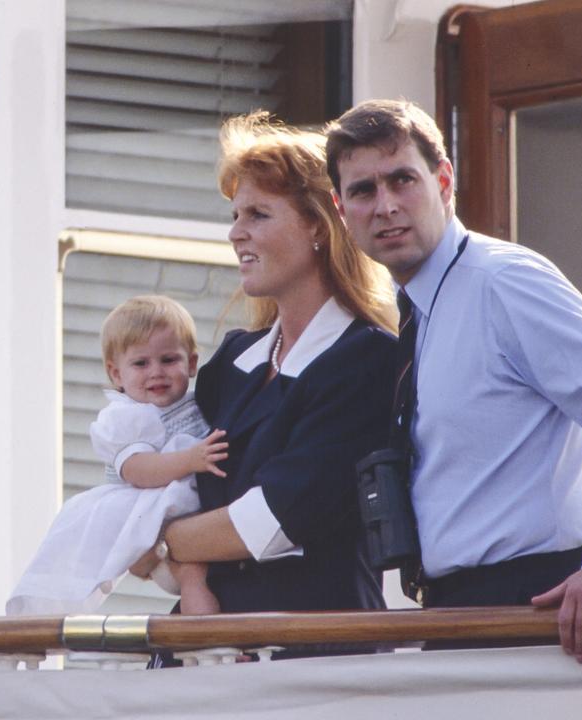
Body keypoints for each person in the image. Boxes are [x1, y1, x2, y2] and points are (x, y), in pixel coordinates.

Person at [324, 99, 582, 662]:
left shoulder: (501, 282)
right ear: (341, 209)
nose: (386, 205)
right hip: (461, 611)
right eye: (364, 190)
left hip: (540, 606)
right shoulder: (421, 306)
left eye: (402, 180)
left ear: (443, 183)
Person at [151, 112, 397, 657]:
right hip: (205, 651)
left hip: (313, 657)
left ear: (319, 225)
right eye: (236, 214)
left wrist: (156, 536)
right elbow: (166, 478)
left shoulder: (367, 360)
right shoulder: (232, 360)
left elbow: (269, 522)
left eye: (259, 214)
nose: (236, 231)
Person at [7, 295, 227, 616]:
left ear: (192, 364)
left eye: (169, 360)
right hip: (148, 509)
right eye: (141, 363)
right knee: (194, 575)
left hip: (190, 511)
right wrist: (191, 460)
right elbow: (138, 470)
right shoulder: (125, 417)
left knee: (206, 573)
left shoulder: (200, 403)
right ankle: (211, 647)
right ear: (116, 374)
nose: (156, 372)